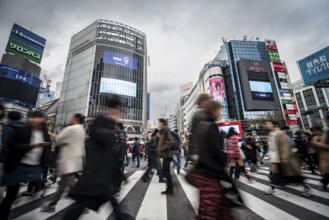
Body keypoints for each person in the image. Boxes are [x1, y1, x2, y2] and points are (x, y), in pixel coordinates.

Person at [61, 95, 133, 220]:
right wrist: (112, 125)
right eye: (120, 111)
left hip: (101, 173)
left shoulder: (108, 124)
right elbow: (98, 135)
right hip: (96, 172)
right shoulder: (101, 120)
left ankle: (122, 217)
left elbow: (110, 152)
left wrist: (118, 173)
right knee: (84, 203)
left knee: (104, 200)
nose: (121, 114)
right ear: (115, 109)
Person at [0, 111, 52, 220]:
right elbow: (11, 145)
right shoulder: (21, 130)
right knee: (11, 195)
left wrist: (48, 164)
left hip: (34, 167)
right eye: (32, 117)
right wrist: (31, 146)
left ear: (42, 119)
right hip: (18, 166)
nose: (34, 120)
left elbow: (46, 150)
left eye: (38, 117)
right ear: (28, 119)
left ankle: (38, 190)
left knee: (39, 183)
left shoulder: (44, 133)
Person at [191, 100, 235, 219]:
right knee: (212, 210)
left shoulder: (202, 125)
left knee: (209, 208)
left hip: (202, 171)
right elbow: (215, 150)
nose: (219, 113)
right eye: (218, 110)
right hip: (211, 174)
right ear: (213, 111)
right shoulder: (211, 126)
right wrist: (226, 157)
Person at [41, 113, 86, 213]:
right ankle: (52, 205)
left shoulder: (70, 129)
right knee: (62, 185)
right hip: (75, 161)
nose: (70, 119)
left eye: (72, 117)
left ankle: (82, 204)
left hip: (68, 161)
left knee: (70, 184)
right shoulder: (82, 130)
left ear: (76, 119)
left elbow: (57, 140)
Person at [263, 120, 311, 197]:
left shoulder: (280, 133)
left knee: (293, 176)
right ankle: (272, 188)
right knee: (275, 174)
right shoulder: (272, 134)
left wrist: (284, 157)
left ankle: (306, 187)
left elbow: (285, 146)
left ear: (274, 125)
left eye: (267, 124)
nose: (265, 126)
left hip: (283, 159)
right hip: (275, 159)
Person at [158, 118, 174, 195]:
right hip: (166, 155)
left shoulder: (166, 130)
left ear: (163, 123)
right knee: (165, 171)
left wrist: (162, 148)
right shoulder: (163, 131)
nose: (158, 124)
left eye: (159, 123)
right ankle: (169, 188)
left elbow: (171, 141)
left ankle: (170, 189)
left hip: (168, 154)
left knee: (165, 171)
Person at [311, 124, 329, 191]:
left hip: (326, 156)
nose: (315, 133)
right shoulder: (316, 137)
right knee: (327, 173)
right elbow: (315, 148)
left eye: (315, 131)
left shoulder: (326, 135)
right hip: (324, 157)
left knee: (327, 174)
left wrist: (315, 142)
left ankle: (323, 184)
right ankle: (323, 184)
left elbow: (326, 146)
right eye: (313, 132)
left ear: (319, 130)